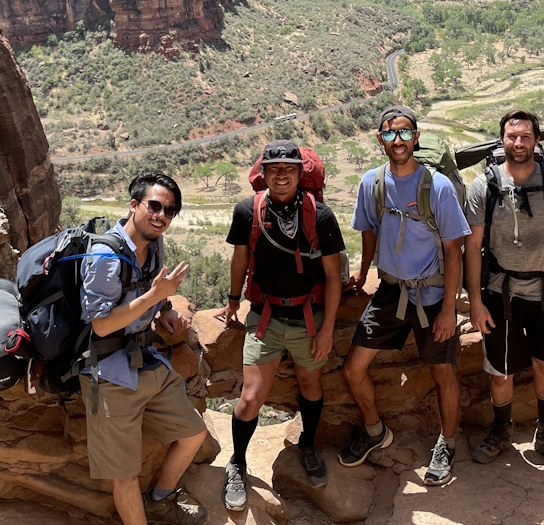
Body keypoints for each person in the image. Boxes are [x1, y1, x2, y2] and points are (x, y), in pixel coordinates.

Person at [340, 105, 470, 485]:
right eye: (390, 133)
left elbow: (453, 251)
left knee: (443, 372)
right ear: (380, 139)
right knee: (352, 368)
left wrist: (449, 310)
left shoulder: (438, 186)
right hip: (390, 292)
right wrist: (362, 273)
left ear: (416, 137)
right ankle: (376, 431)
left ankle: (447, 443)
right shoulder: (371, 183)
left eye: (404, 132)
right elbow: (368, 232)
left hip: (431, 298)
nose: (398, 140)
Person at [216, 140, 345, 510]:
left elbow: (334, 277)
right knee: (251, 397)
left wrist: (327, 329)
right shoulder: (247, 211)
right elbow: (240, 258)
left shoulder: (320, 216)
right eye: (274, 169)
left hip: (308, 316)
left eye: (289, 167)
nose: (282, 174)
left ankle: (308, 444)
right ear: (264, 174)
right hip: (265, 316)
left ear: (300, 173)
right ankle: (237, 462)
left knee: (311, 383)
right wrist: (231, 300)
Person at [80, 172, 208, 525]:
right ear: (134, 205)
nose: (161, 215)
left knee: (194, 434)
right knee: (125, 473)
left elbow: (151, 295)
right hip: (108, 372)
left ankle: (161, 498)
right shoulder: (105, 256)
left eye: (170, 210)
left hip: (145, 361)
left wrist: (164, 311)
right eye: (154, 206)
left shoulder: (153, 244)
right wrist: (155, 296)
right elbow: (102, 324)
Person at [464, 109, 544, 472]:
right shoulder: (483, 185)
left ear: (536, 141)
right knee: (501, 371)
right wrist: (474, 300)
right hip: (499, 295)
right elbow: (472, 247)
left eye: (525, 137)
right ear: (501, 140)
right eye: (511, 136)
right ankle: (503, 429)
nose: (518, 143)